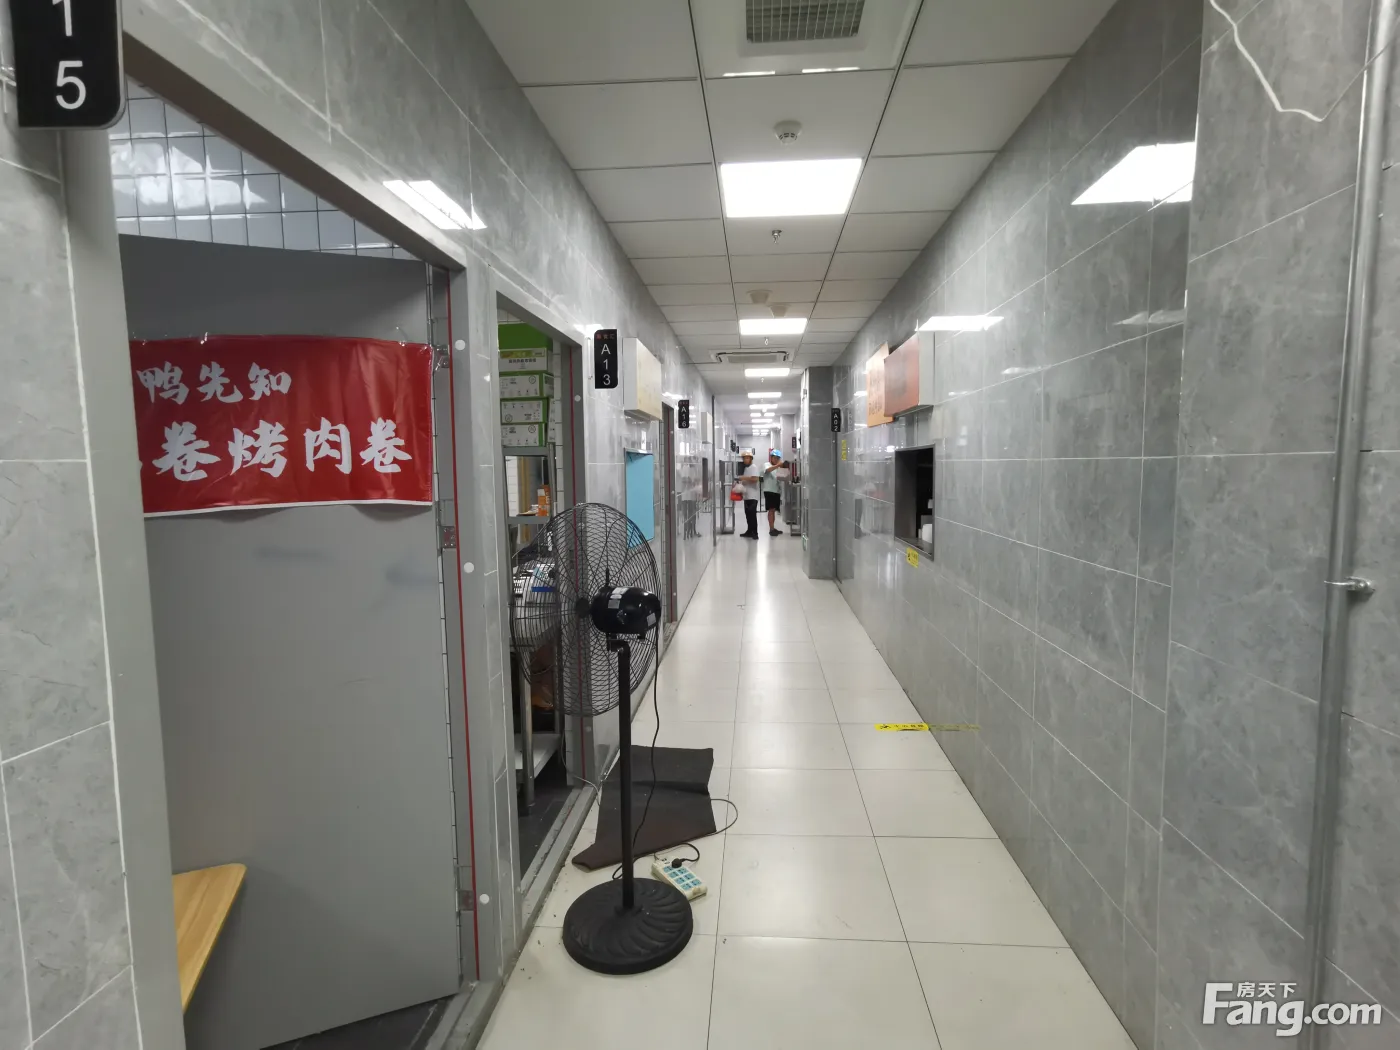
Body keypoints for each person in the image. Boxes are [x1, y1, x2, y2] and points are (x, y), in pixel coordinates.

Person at [761, 449, 790, 536]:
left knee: (773, 510)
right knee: (771, 510)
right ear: (771, 457)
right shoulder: (767, 464)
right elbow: (768, 470)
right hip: (769, 490)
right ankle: (771, 529)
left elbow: (783, 476)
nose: (776, 459)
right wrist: (778, 465)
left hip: (776, 491)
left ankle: (773, 528)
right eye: (775, 458)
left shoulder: (778, 467)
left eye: (778, 458)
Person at [735, 451, 760, 539]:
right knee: (748, 514)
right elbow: (746, 480)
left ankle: (755, 533)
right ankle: (749, 531)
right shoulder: (746, 469)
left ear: (751, 459)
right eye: (744, 458)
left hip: (753, 496)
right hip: (746, 496)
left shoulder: (754, 467)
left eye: (747, 458)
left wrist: (743, 478)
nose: (745, 460)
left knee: (752, 515)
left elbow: (755, 479)